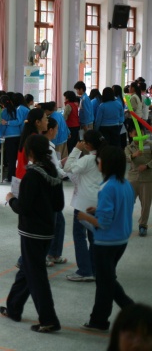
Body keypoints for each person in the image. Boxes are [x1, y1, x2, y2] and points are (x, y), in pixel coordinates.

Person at [0, 135, 63, 333]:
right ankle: (14, 308)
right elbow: (59, 205)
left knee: (36, 276)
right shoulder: (53, 172)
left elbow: (23, 207)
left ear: (31, 152)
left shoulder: (32, 176)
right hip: (47, 230)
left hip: (31, 232)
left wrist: (11, 199)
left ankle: (49, 319)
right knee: (27, 270)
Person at [77, 146, 135, 333]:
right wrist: (98, 210)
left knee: (105, 282)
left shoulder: (107, 188)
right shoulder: (125, 184)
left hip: (106, 243)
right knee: (107, 279)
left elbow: (103, 223)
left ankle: (123, 313)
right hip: (121, 240)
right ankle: (101, 318)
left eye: (100, 160)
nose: (98, 163)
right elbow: (119, 208)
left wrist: (85, 217)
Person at [63, 130, 105, 282]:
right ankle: (94, 269)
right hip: (98, 202)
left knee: (79, 236)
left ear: (87, 145)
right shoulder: (105, 157)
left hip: (83, 204)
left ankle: (84, 270)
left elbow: (68, 167)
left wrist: (76, 150)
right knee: (94, 236)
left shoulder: (88, 159)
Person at [42, 117, 68, 266]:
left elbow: (53, 166)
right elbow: (55, 172)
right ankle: (47, 254)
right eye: (57, 129)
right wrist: (70, 171)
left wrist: (60, 163)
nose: (57, 132)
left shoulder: (45, 146)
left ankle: (53, 253)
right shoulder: (48, 148)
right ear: (50, 130)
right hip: (50, 190)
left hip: (48, 189)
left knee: (58, 222)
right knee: (52, 223)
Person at [124, 120, 152, 237]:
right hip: (132, 179)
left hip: (147, 179)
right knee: (127, 203)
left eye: (141, 133)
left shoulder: (149, 144)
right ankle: (125, 224)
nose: (139, 136)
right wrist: (133, 155)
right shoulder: (128, 147)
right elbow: (125, 158)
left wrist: (147, 166)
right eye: (136, 134)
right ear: (130, 134)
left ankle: (143, 225)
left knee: (146, 204)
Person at [0, 94, 27, 181]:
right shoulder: (16, 109)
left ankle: (10, 176)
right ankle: (17, 174)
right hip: (18, 135)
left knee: (11, 158)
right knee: (17, 157)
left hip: (9, 137)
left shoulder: (4, 112)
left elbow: (3, 125)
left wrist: (0, 135)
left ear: (2, 104)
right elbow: (19, 122)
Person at [16, 108, 49, 179]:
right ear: (38, 122)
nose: (47, 122)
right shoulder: (35, 139)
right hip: (28, 177)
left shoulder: (28, 136)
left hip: (21, 175)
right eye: (46, 119)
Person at [113, 84, 128, 149]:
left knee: (119, 138)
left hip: (119, 121)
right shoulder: (120, 98)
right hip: (121, 120)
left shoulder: (116, 100)